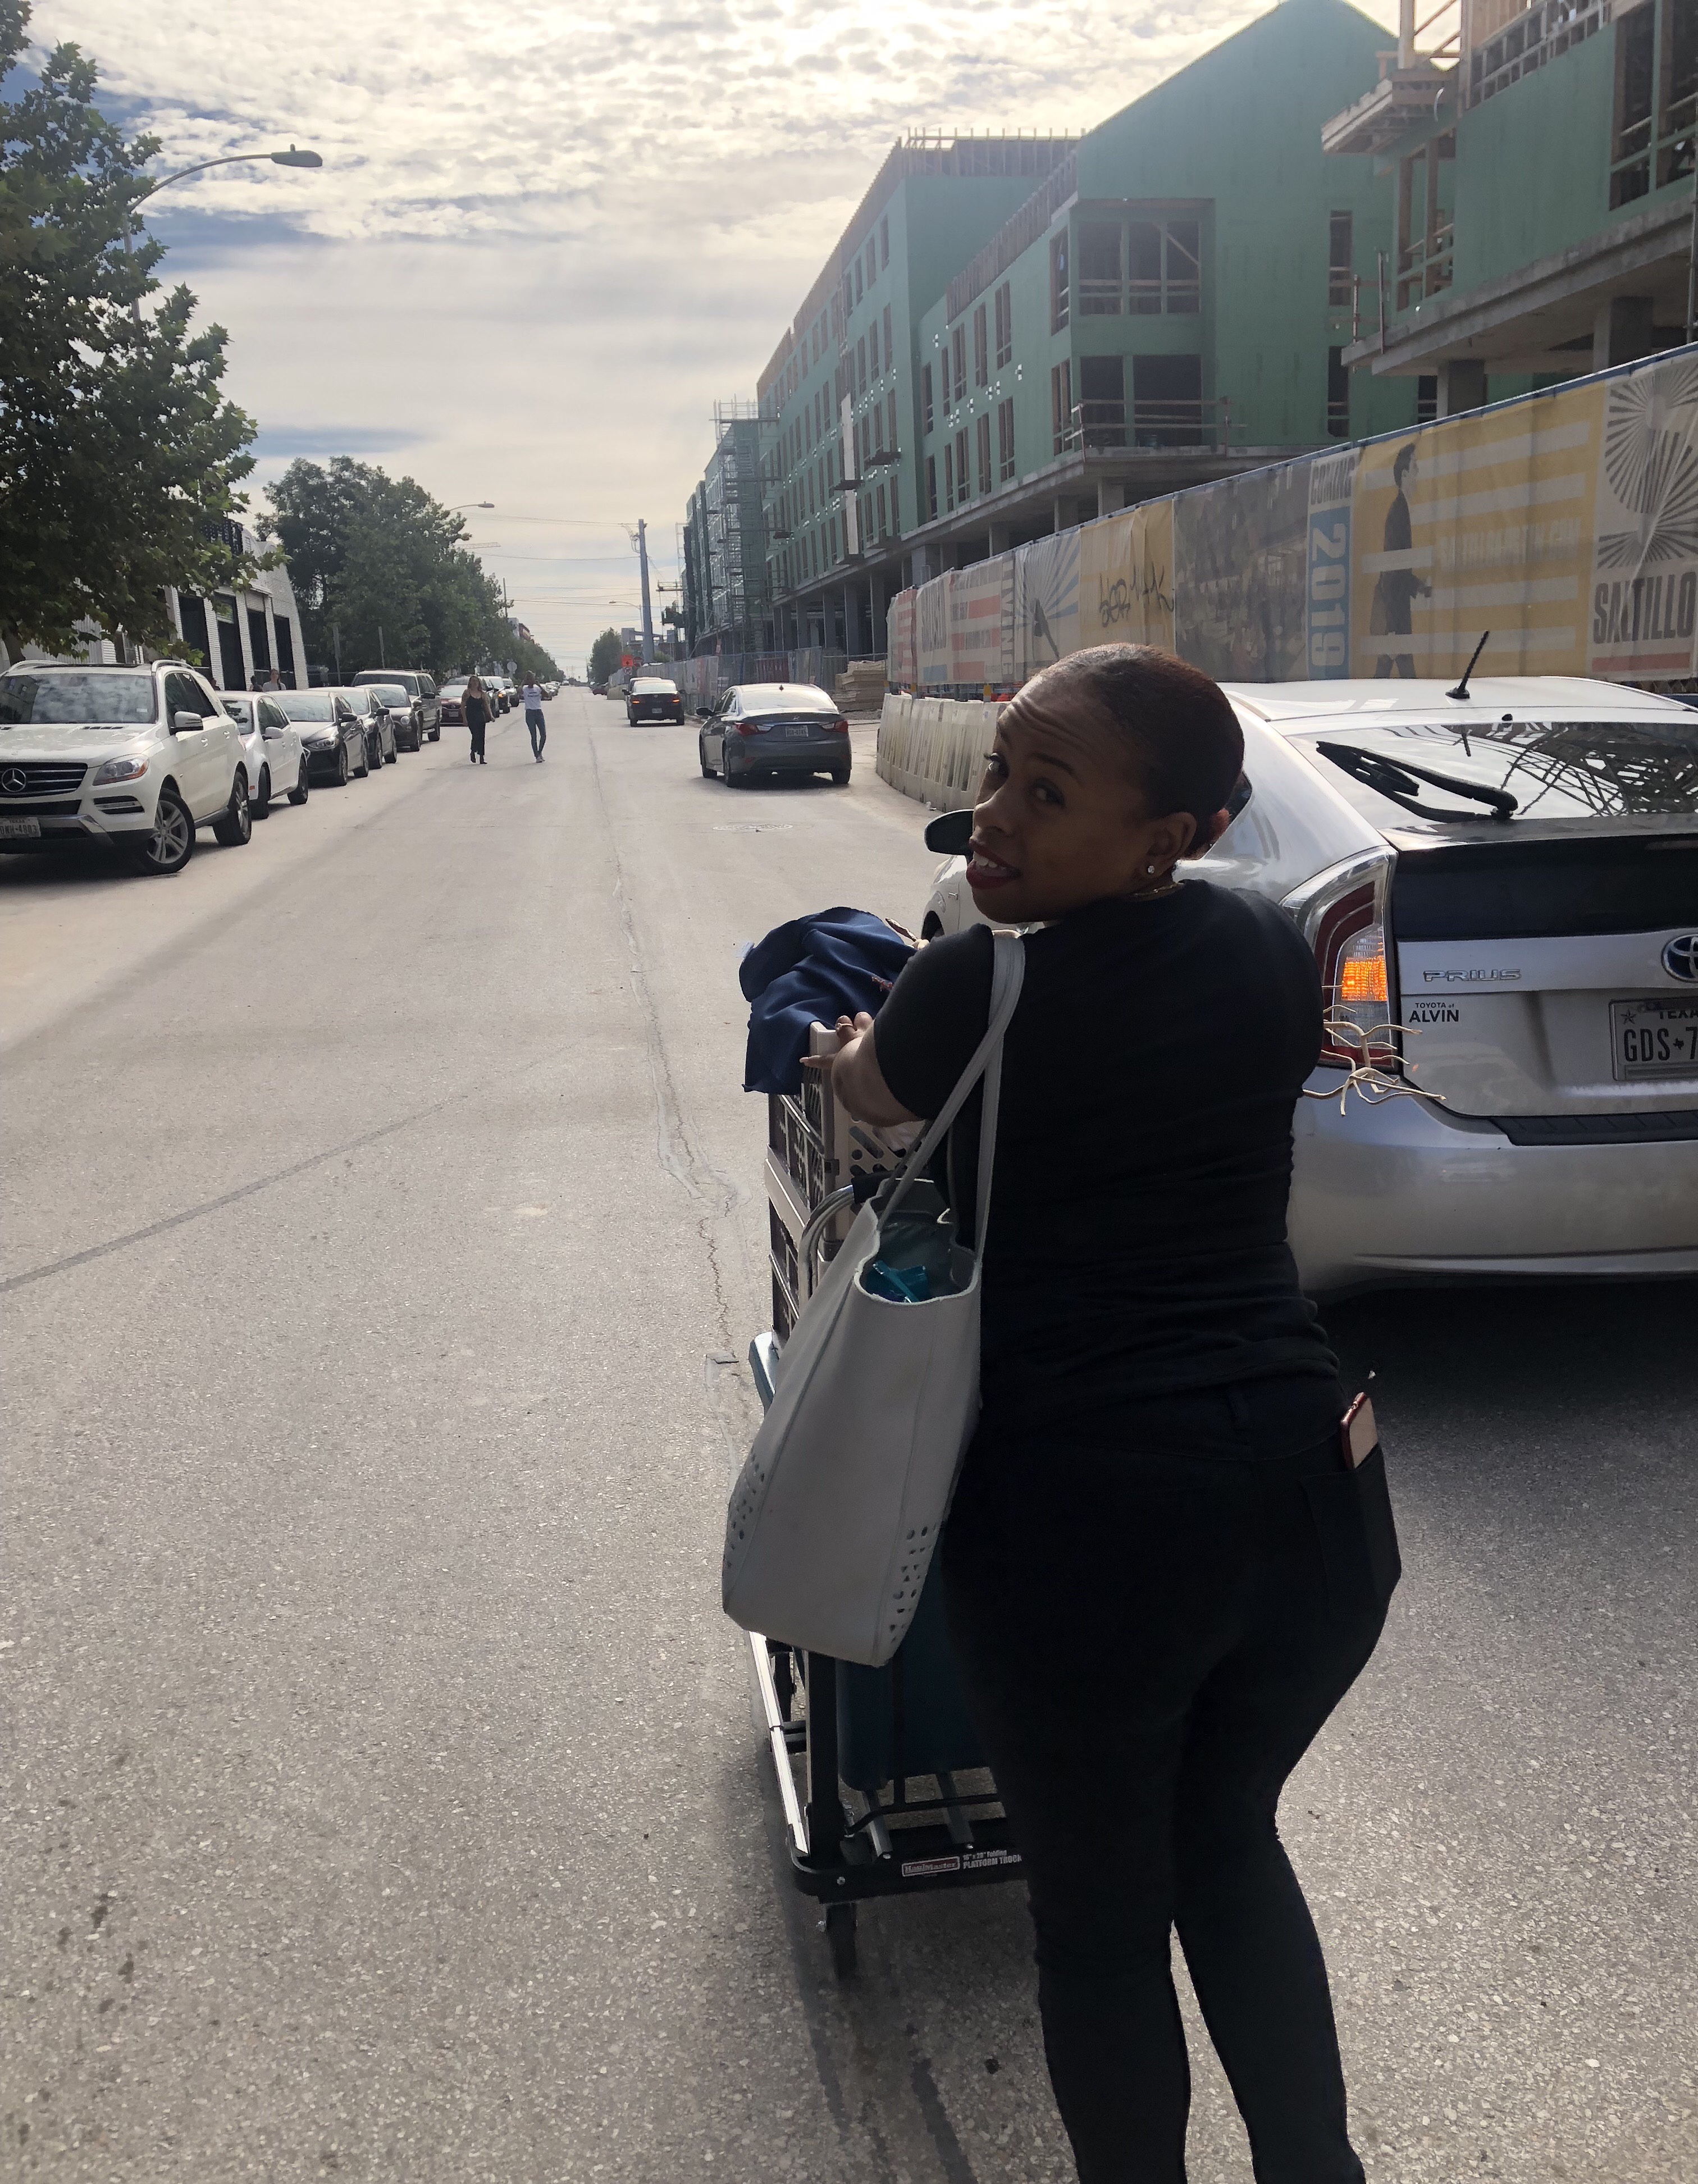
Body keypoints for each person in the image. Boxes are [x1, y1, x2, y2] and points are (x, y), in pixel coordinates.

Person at [829, 645, 1398, 2184]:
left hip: (1094, 1530)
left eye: (1047, 793)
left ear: (1177, 834)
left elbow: (871, 1094)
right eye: (1000, 771)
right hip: (1316, 1505)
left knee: (1095, 1922)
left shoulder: (976, 983)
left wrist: (831, 1044)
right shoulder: (1279, 948)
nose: (990, 819)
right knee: (1227, 1837)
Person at [1369, 443, 1430, 678]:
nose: (1419, 472)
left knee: (1390, 671)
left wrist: (1418, 585)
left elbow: (1398, 568)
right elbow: (1394, 570)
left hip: (1397, 612)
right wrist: (1392, 627)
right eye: (1415, 466)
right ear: (1404, 475)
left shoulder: (1401, 509)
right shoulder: (1399, 512)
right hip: (1397, 614)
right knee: (1402, 673)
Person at [464, 673, 490, 764]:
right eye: (473, 681)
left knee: (482, 736)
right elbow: (463, 706)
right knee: (475, 736)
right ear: (470, 683)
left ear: (479, 683)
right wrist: (464, 719)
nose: (475, 683)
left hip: (480, 716)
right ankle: (473, 752)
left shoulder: (482, 694)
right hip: (471, 716)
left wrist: (490, 716)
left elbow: (486, 706)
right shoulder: (467, 693)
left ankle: (482, 757)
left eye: (476, 681)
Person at [522, 678, 546, 761]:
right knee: (534, 735)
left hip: (538, 712)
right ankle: (537, 756)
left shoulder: (537, 688)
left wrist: (539, 685)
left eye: (532, 678)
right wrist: (522, 683)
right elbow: (518, 693)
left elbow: (547, 695)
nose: (531, 681)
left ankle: (540, 752)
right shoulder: (525, 689)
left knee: (543, 734)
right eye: (529, 679)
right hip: (530, 713)